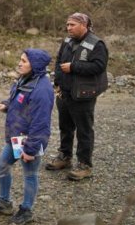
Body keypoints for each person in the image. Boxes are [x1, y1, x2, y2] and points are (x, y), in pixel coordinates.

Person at [0, 49, 55, 225]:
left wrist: (30, 149)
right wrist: (5, 106)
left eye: (24, 60)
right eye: (20, 59)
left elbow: (41, 123)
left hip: (29, 140)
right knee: (2, 164)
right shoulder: (25, 79)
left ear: (35, 65)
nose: (19, 63)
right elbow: (19, 102)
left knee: (30, 174)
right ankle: (5, 203)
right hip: (16, 137)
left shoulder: (42, 89)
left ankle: (26, 210)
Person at [46, 13, 108, 181]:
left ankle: (84, 165)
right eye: (67, 25)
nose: (69, 28)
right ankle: (65, 157)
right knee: (65, 127)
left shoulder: (97, 44)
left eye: (72, 25)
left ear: (84, 25)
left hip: (83, 95)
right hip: (64, 93)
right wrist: (57, 83)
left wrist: (74, 67)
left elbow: (99, 66)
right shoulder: (67, 41)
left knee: (84, 130)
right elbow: (59, 61)